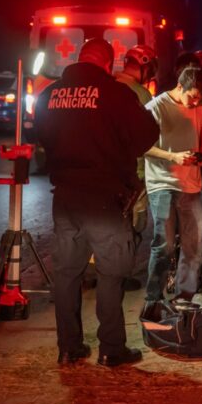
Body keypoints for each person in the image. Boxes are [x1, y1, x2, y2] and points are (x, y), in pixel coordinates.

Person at [35, 38, 159, 367]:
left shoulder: (50, 94)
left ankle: (68, 348)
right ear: (108, 64)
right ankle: (111, 349)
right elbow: (147, 135)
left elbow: (41, 135)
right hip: (105, 198)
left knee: (67, 274)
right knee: (111, 273)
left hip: (65, 198)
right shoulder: (116, 94)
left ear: (77, 59)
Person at [142, 65, 202, 312]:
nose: (196, 103)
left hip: (191, 183)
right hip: (162, 183)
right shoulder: (155, 108)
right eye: (192, 96)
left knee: (193, 246)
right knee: (165, 244)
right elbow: (141, 146)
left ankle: (185, 296)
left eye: (201, 99)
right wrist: (172, 157)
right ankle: (153, 298)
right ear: (180, 86)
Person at [114, 44, 159, 285]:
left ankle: (95, 270)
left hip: (107, 171)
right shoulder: (141, 95)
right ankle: (122, 275)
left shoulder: (107, 87)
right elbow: (150, 135)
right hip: (135, 173)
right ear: (145, 67)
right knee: (135, 224)